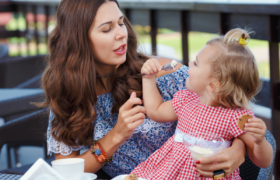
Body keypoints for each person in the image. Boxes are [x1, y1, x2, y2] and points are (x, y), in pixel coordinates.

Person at [41, 0, 247, 178]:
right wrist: (115, 136)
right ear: (79, 40)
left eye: (121, 23)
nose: (122, 34)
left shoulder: (165, 74)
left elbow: (231, 112)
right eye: (107, 29)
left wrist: (238, 150)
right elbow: (66, 173)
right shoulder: (69, 95)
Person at [131, 28, 273, 179]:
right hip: (170, 172)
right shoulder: (186, 99)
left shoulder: (236, 117)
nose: (189, 63)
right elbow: (155, 111)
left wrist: (260, 141)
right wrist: (148, 78)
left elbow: (263, 162)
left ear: (213, 85)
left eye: (196, 63)